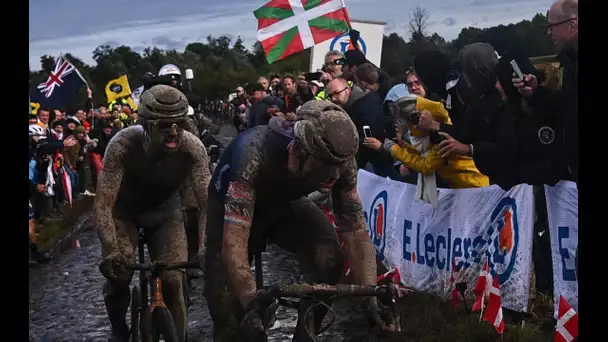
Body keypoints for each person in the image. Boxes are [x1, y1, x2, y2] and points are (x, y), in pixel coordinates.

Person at [203, 100, 395, 341]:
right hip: (229, 211)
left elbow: (355, 230)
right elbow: (235, 243)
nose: (334, 175)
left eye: (339, 166)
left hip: (284, 204)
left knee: (329, 259)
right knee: (229, 316)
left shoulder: (340, 157)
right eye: (325, 165)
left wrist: (370, 300)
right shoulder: (253, 152)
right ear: (297, 150)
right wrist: (250, 305)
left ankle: (306, 333)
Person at [94, 85, 210, 342]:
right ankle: (118, 328)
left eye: (180, 123)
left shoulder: (193, 148)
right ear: (144, 125)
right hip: (124, 215)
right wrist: (111, 248)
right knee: (119, 276)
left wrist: (203, 249)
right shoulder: (122, 145)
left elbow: (208, 205)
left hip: (165, 215)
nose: (174, 131)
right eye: (164, 125)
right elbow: (103, 204)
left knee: (173, 282)